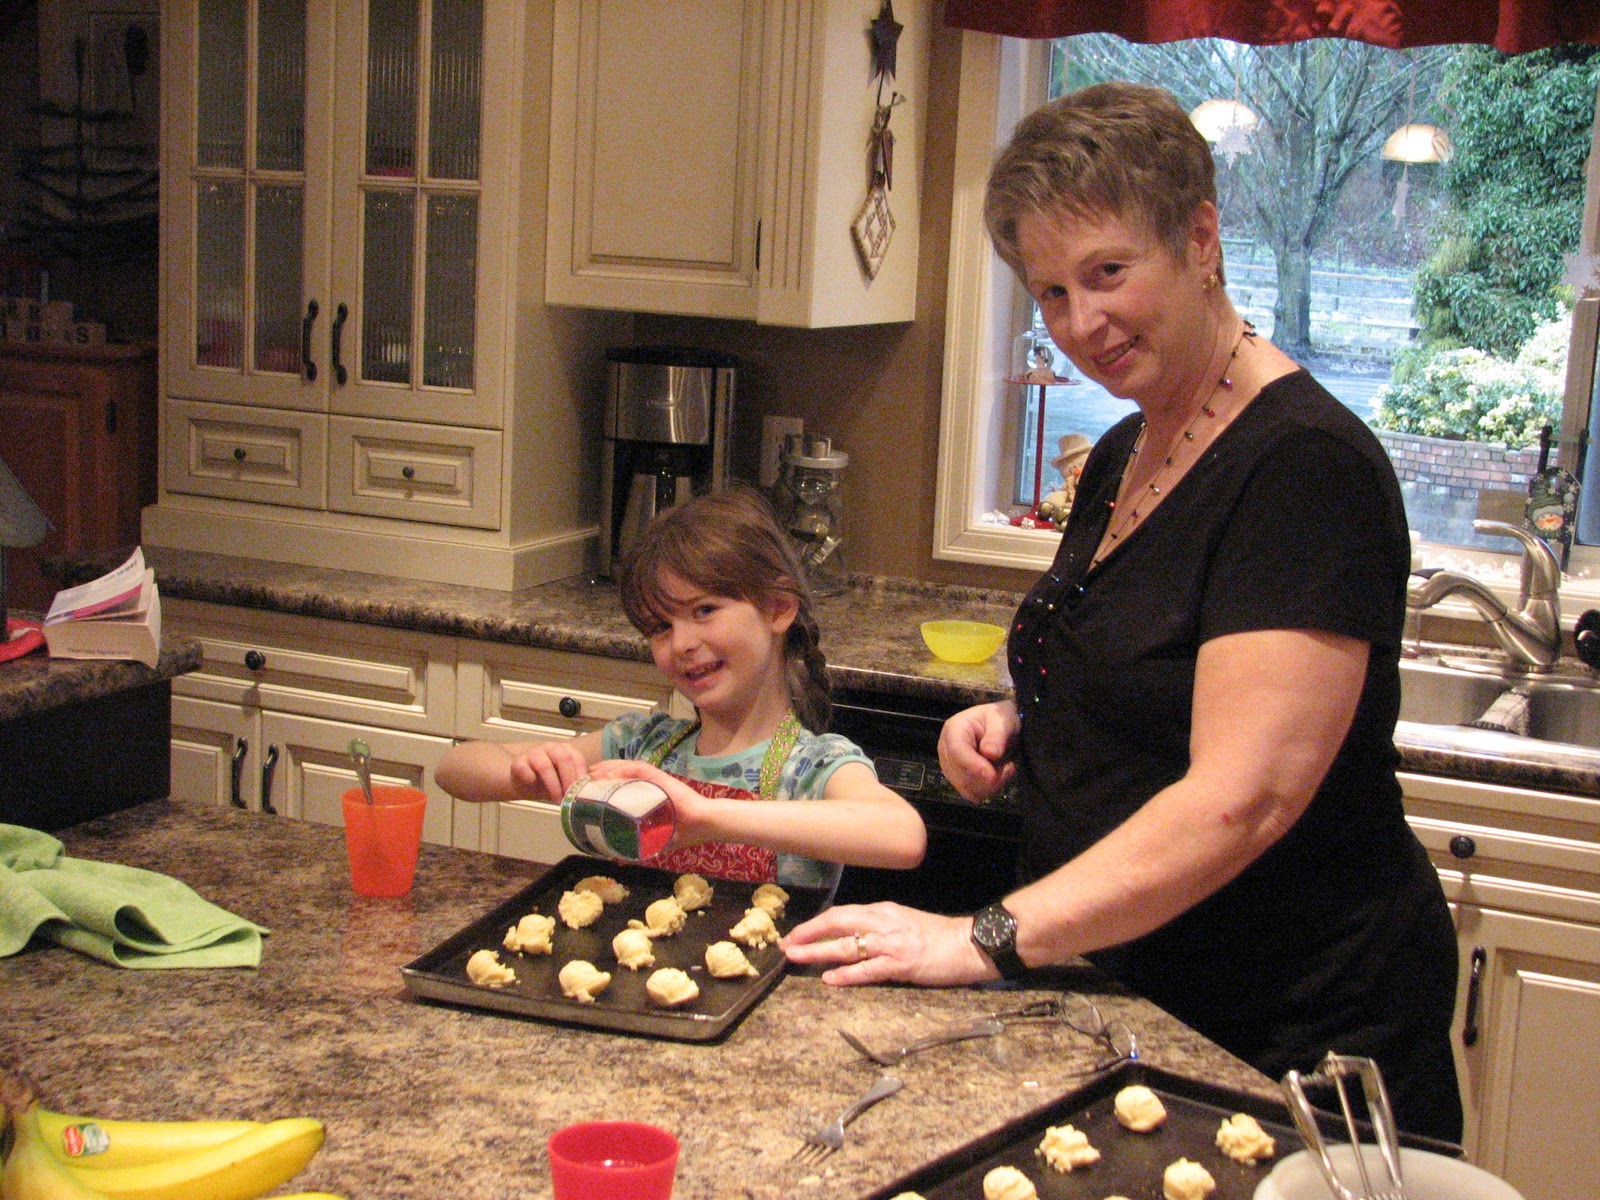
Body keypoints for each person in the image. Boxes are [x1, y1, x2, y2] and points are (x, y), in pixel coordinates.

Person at [782, 81, 1463, 1143]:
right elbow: (1145, 660)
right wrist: (1030, 716)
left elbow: (1243, 799)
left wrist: (978, 938)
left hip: (1288, 1028)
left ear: (1200, 239)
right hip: (1139, 992)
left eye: (1107, 273)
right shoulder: (1128, 446)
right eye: (1050, 291)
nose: (1080, 323)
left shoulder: (1303, 468)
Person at [435, 485, 925, 891]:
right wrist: (525, 773)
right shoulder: (641, 746)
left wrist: (706, 817)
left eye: (704, 610)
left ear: (778, 608)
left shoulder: (813, 767)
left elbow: (901, 836)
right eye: (660, 627)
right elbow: (454, 768)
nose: (682, 644)